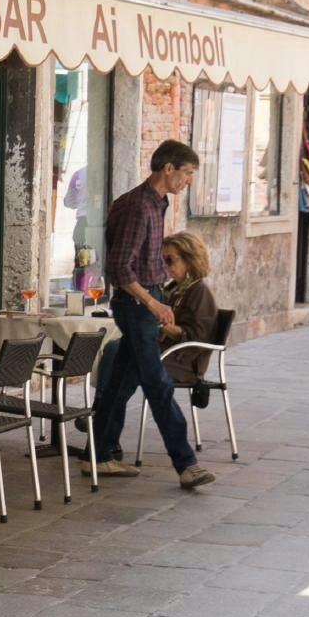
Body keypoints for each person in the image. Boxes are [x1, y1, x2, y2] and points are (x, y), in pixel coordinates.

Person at [89, 141, 214, 491]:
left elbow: (143, 262)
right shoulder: (137, 206)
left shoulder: (156, 204)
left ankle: (99, 455)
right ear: (168, 168)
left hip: (147, 302)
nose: (188, 180)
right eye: (187, 172)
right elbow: (119, 267)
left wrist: (162, 296)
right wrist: (153, 303)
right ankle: (186, 463)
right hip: (138, 306)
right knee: (157, 384)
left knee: (118, 383)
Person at [157, 231, 223, 391]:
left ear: (189, 260)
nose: (165, 266)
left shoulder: (199, 291)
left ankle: (106, 410)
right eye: (162, 260)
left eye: (170, 260)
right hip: (165, 354)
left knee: (125, 356)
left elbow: (198, 338)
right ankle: (104, 409)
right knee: (116, 350)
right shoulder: (174, 289)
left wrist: (160, 327)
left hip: (183, 363)